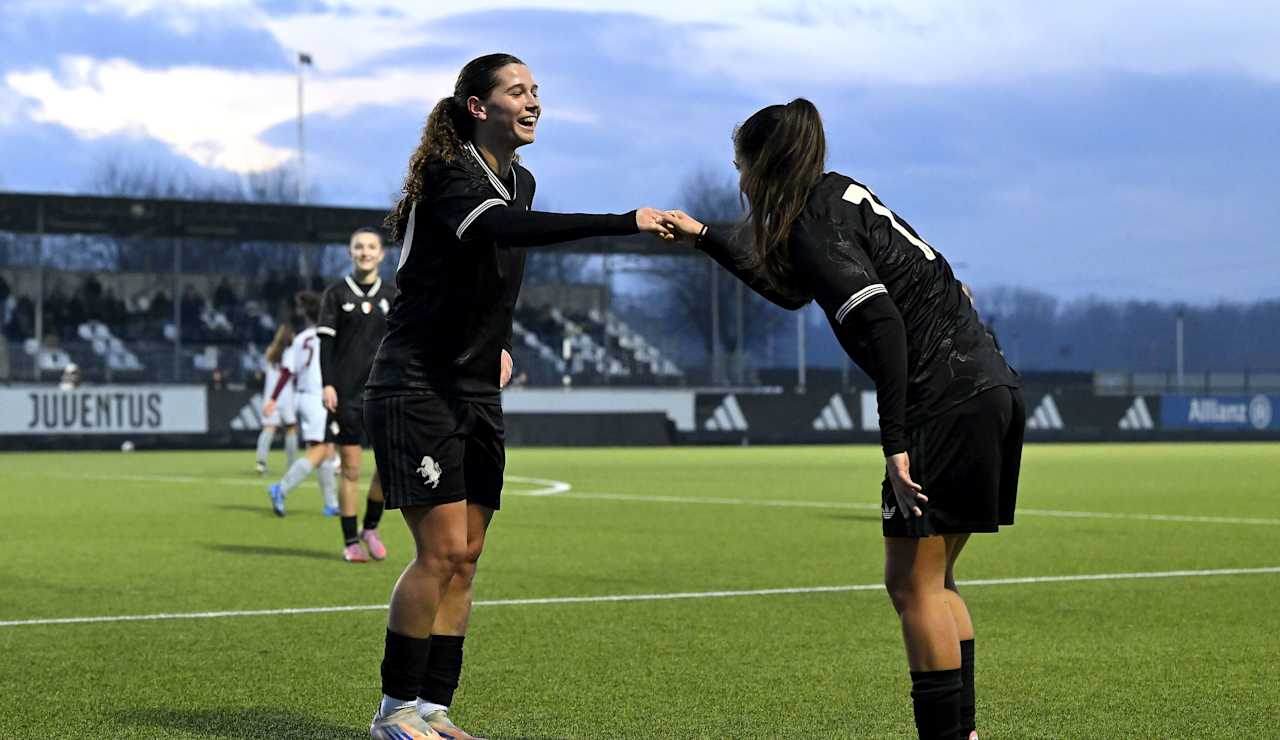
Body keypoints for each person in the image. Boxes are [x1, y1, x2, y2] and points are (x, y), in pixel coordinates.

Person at [663, 98, 1024, 740]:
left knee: (912, 585)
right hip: (986, 385)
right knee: (933, 580)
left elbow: (883, 323)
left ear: (763, 165)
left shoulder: (811, 222)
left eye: (740, 166)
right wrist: (704, 237)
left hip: (943, 399)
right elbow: (790, 289)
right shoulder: (835, 199)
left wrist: (896, 440)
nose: (740, 182)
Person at [363, 53, 673, 740]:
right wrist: (622, 221)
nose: (533, 101)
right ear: (478, 106)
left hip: (474, 385)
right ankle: (394, 713)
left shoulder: (520, 181)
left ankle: (434, 709)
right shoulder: (449, 177)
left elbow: (492, 276)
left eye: (536, 91)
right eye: (516, 91)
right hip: (418, 382)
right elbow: (499, 231)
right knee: (439, 551)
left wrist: (494, 343)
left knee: (468, 556)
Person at [317, 227, 397, 563]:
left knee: (386, 469)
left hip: (384, 395)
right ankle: (350, 541)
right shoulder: (335, 294)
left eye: (371, 247)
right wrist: (328, 384)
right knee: (350, 469)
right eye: (358, 247)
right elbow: (326, 345)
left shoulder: (393, 295)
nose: (365, 252)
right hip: (347, 395)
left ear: (381, 254)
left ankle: (371, 528)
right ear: (351, 252)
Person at [263, 292, 340, 523]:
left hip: (303, 397)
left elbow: (287, 371)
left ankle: (331, 504)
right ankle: (281, 488)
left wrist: (273, 398)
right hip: (319, 398)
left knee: (326, 450)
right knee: (319, 451)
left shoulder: (300, 339)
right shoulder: (328, 336)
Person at [255, 324, 301, 475]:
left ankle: (260, 462)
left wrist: (271, 398)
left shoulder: (270, 351)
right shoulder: (289, 352)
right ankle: (292, 464)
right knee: (291, 428)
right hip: (284, 395)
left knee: (269, 428)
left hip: (270, 396)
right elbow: (287, 374)